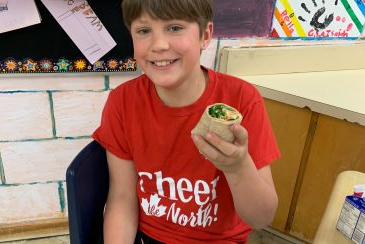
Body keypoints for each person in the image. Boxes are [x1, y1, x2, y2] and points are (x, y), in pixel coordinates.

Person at [92, 0, 281, 243]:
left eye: (175, 28)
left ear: (205, 35)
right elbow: (122, 197)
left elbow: (261, 218)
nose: (158, 45)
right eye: (144, 31)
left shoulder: (242, 100)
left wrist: (237, 167)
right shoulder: (122, 101)